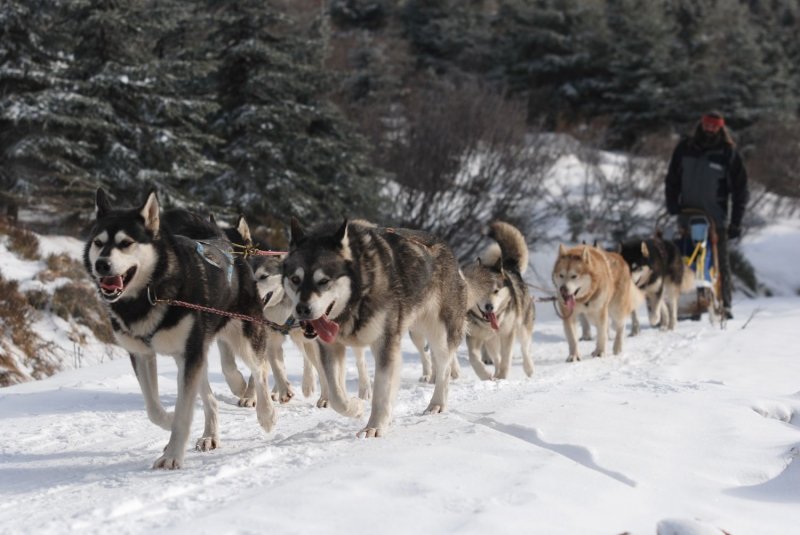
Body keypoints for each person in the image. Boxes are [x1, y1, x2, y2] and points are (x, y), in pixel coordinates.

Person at [664, 111, 749, 319]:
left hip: (715, 219)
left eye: (715, 126)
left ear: (721, 128)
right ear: (701, 125)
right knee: (685, 261)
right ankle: (686, 303)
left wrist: (736, 222)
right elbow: (672, 179)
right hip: (687, 216)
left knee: (719, 262)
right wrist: (672, 203)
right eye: (707, 125)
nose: (710, 129)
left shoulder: (727, 153)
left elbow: (741, 191)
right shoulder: (685, 148)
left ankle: (724, 304)